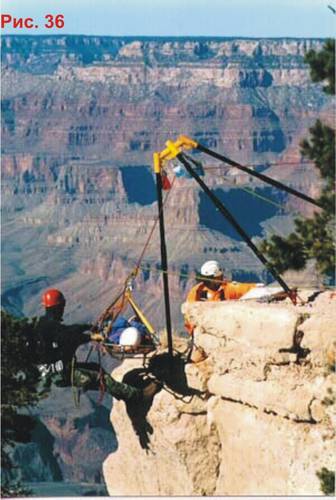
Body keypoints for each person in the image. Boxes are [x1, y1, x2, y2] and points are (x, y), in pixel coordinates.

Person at [27, 288, 160, 403]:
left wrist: (87, 327)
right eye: (62, 306)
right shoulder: (52, 326)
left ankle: (123, 393)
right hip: (62, 373)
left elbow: (67, 330)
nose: (63, 309)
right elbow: (69, 338)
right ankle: (139, 396)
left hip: (55, 370)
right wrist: (91, 337)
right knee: (102, 378)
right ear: (58, 307)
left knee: (96, 368)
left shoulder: (45, 323)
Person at [184, 260, 261, 335]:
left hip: (224, 331)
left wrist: (261, 287)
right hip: (204, 332)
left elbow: (245, 288)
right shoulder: (197, 291)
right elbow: (189, 316)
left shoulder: (227, 288)